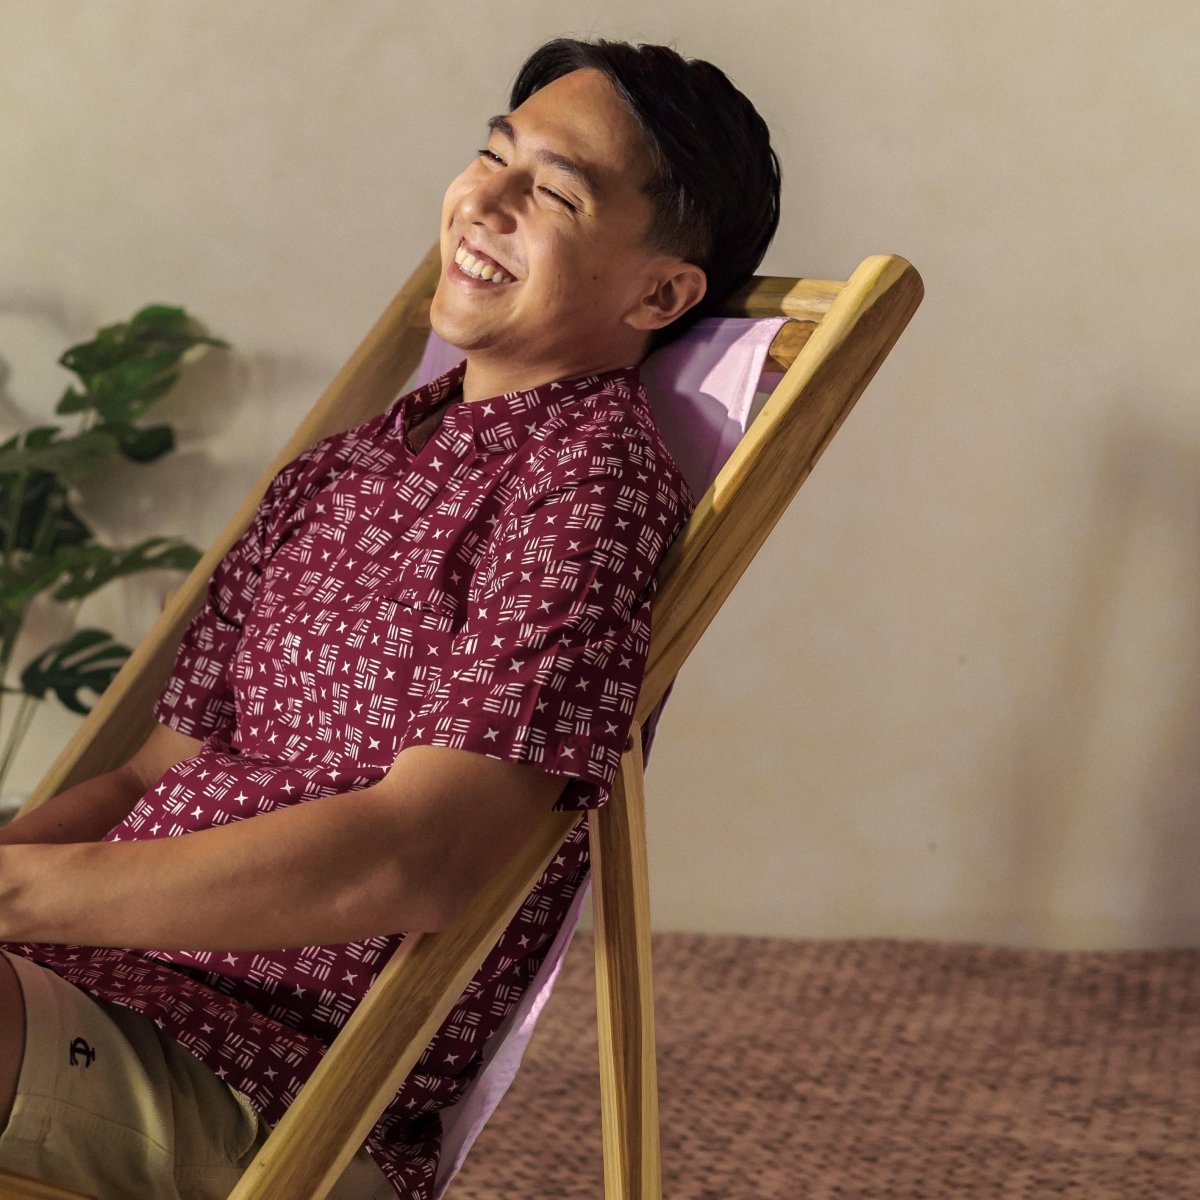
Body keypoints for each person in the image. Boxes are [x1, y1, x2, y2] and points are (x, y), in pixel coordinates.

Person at [0, 36, 781, 1200]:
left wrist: (16, 896)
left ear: (660, 293)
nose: (486, 202)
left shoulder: (586, 488)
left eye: (555, 192)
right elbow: (151, 775)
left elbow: (421, 857)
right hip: (87, 981)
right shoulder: (346, 464)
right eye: (494, 155)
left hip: (261, 1076)